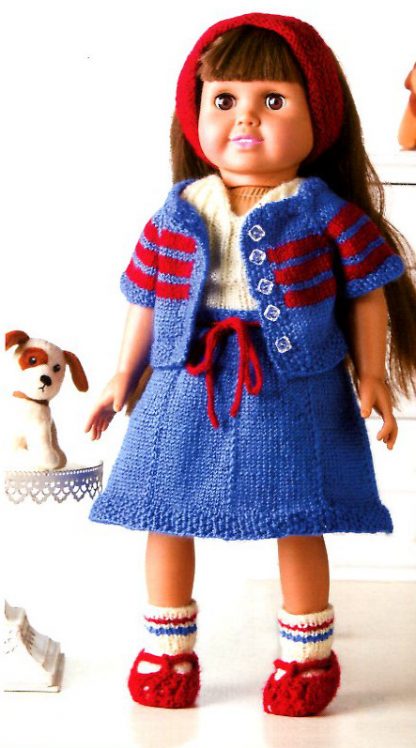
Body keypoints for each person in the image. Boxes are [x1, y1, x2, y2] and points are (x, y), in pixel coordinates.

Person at [85, 13, 416, 716]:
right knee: (165, 510)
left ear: (319, 116)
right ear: (194, 116)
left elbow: (367, 293)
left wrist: (372, 375)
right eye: (224, 99)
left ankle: (306, 654)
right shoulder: (177, 211)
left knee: (300, 515)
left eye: (273, 100)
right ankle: (166, 646)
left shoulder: (324, 212)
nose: (246, 118)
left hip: (294, 387)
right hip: (187, 380)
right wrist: (123, 375)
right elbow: (147, 297)